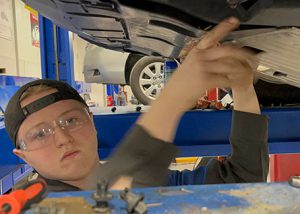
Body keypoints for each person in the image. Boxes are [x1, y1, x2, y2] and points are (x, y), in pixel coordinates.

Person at [4, 17, 268, 191]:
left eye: (71, 120)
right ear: (23, 155)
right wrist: (174, 97)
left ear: (91, 122)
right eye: (40, 134)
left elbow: (241, 181)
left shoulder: (154, 185)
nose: (62, 138)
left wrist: (242, 88)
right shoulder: (26, 206)